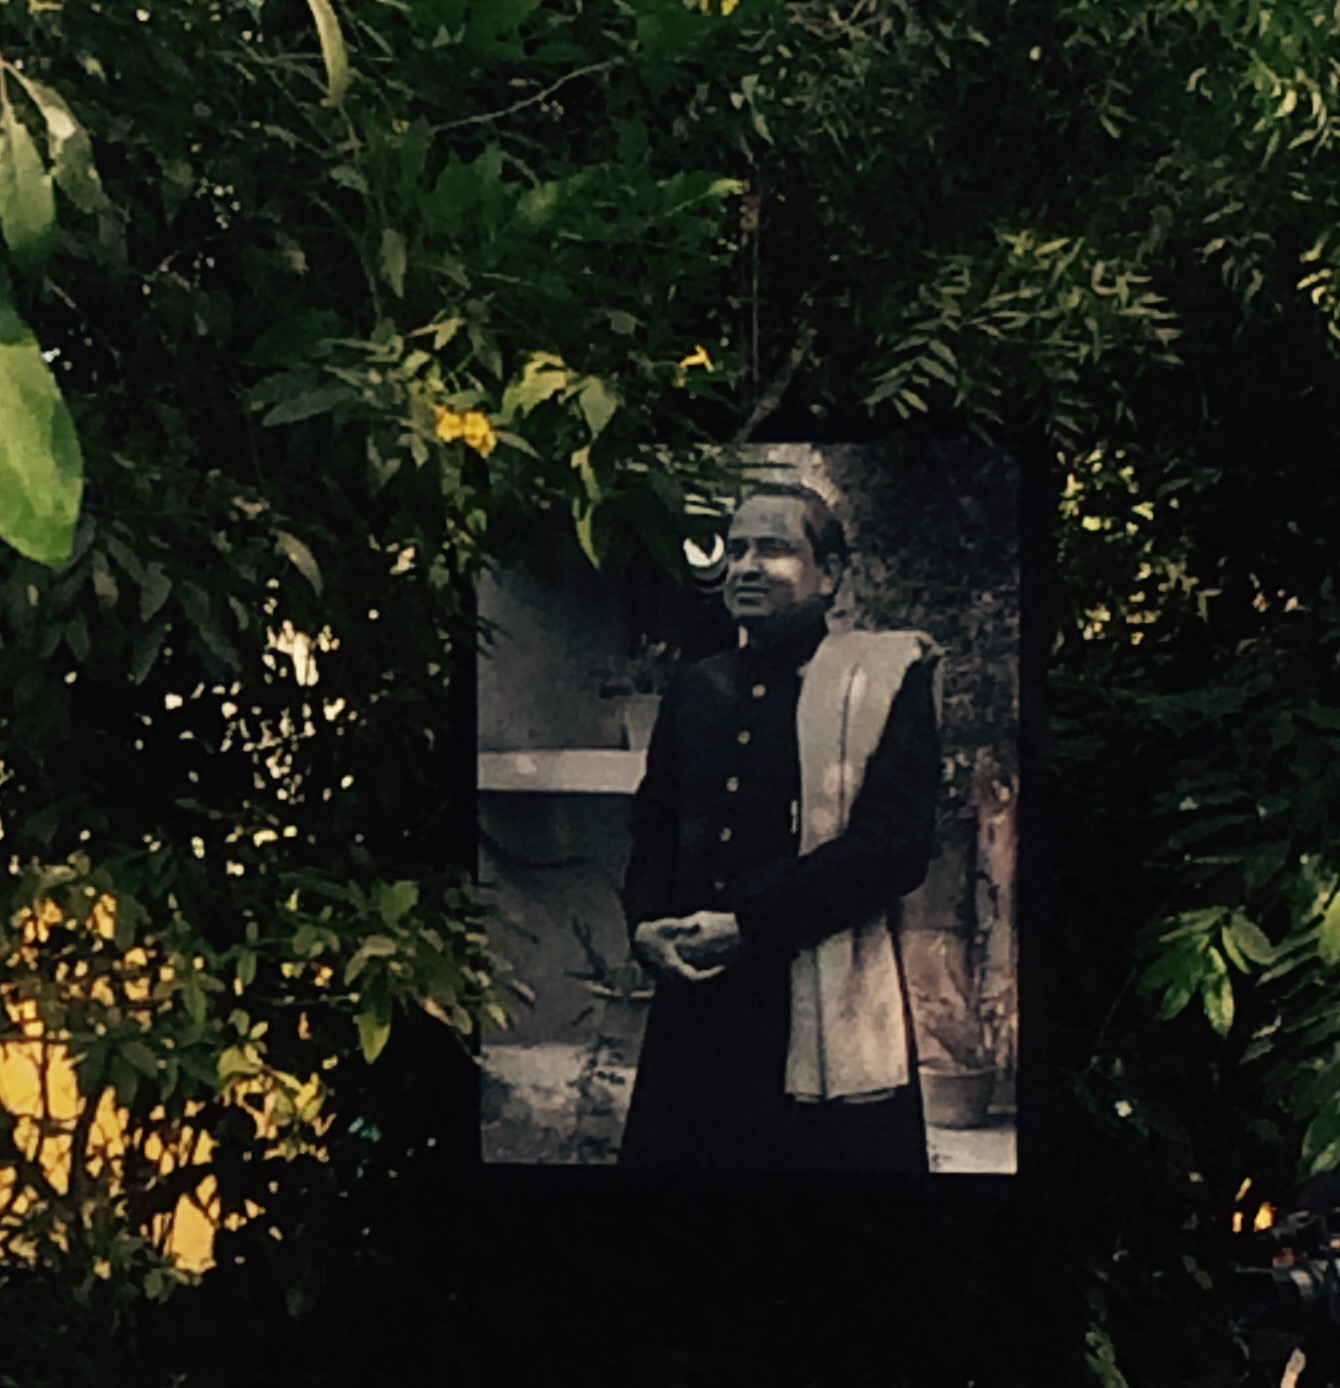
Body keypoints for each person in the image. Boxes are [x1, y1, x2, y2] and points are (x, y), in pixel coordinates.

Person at [618, 482, 942, 1172]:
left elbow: (893, 848)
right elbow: (652, 828)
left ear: (829, 575)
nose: (746, 566)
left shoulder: (883, 682)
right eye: (736, 551)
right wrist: (645, 925)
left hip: (818, 1000)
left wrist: (749, 923)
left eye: (773, 549)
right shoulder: (697, 687)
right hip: (696, 1014)